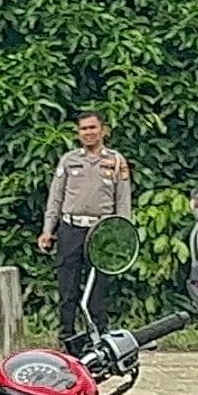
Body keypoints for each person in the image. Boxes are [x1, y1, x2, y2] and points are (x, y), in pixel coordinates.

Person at [40, 110, 134, 340]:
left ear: (103, 130)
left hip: (101, 232)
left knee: (98, 290)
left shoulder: (116, 161)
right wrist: (47, 230)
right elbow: (56, 197)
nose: (88, 133)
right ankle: (67, 339)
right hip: (71, 229)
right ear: (78, 133)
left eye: (92, 128)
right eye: (83, 129)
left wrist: (122, 234)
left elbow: (123, 201)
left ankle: (100, 337)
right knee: (68, 288)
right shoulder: (69, 160)